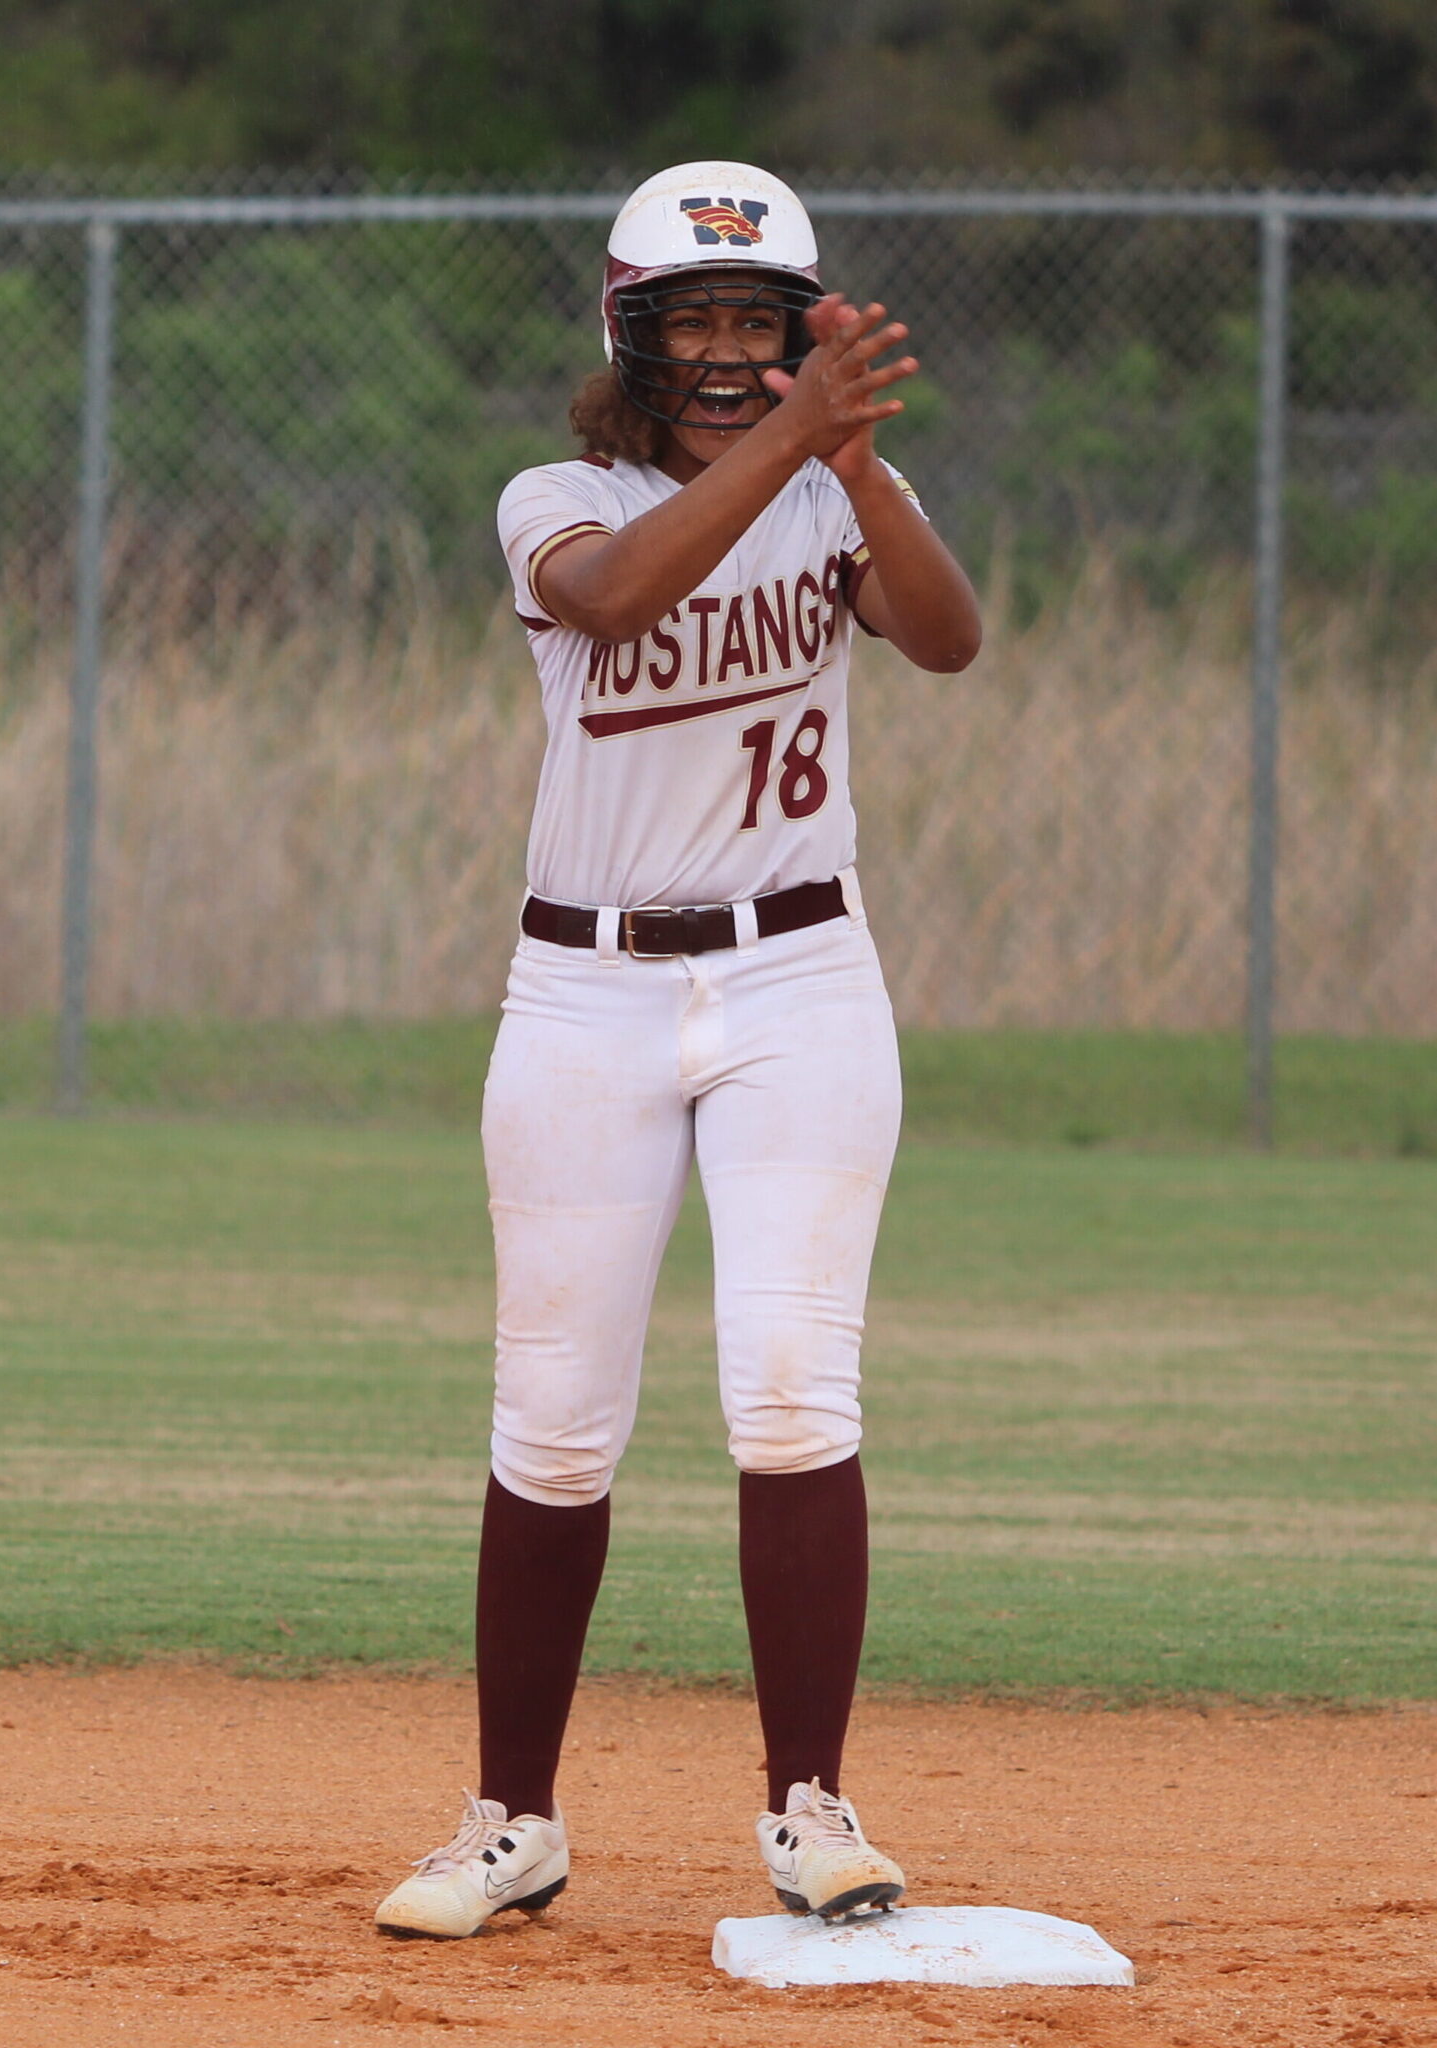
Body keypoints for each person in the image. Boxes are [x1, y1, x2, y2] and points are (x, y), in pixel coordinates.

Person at [374, 161, 980, 1942]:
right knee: (553, 1432)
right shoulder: (551, 494)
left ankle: (809, 1807)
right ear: (628, 336)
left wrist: (850, 458)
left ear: (801, 332)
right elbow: (621, 598)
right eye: (692, 322)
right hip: (586, 994)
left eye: (758, 323)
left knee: (793, 1393)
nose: (727, 353)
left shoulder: (834, 480)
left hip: (800, 978)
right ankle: (513, 1820)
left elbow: (945, 639)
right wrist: (794, 446)